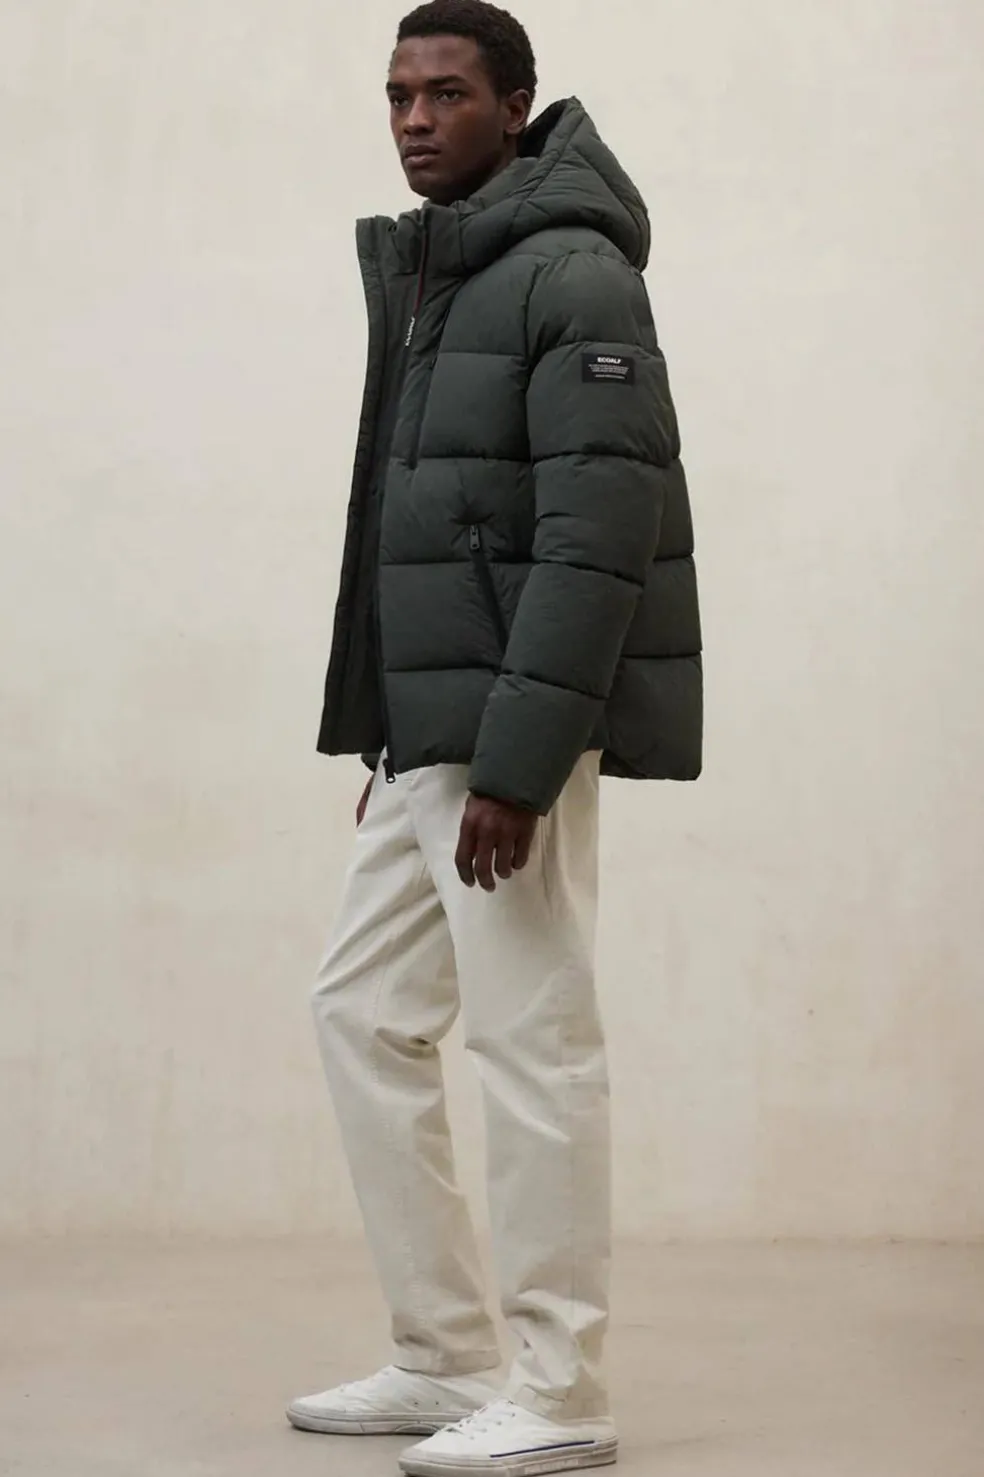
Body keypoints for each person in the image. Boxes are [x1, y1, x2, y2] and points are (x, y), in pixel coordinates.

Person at [290, 2, 702, 1472]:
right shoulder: (443, 266)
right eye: (399, 93)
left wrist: (519, 764)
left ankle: (563, 1388)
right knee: (361, 1011)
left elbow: (598, 535)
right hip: (432, 732)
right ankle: (442, 1352)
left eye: (447, 94)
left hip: (509, 738)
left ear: (515, 107)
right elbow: (420, 524)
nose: (414, 118)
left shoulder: (572, 272)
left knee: (533, 1042)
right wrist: (390, 733)